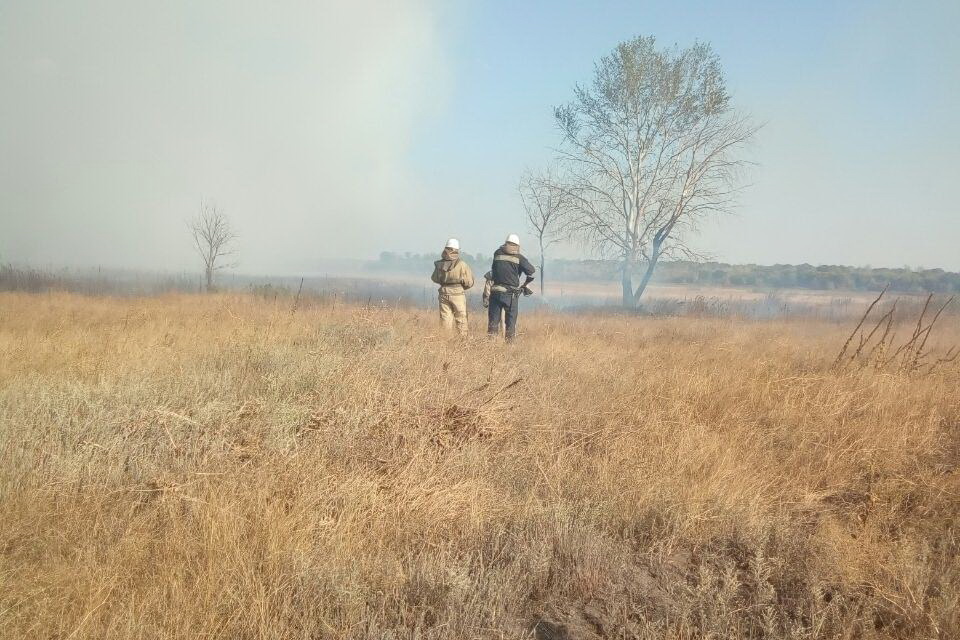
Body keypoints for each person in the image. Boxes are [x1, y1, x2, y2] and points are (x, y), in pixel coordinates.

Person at [487, 233, 535, 340]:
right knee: (510, 322)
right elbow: (531, 271)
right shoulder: (519, 258)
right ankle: (509, 347)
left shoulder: (497, 253)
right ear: (517, 246)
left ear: (506, 243)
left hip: (495, 292)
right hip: (510, 295)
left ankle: (490, 346)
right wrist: (524, 283)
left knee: (493, 322)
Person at [430, 238, 474, 335]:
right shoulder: (462, 265)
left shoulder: (439, 264)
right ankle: (463, 342)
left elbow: (434, 278)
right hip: (458, 294)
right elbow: (469, 282)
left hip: (443, 293)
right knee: (461, 318)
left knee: (445, 319)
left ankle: (445, 341)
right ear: (457, 250)